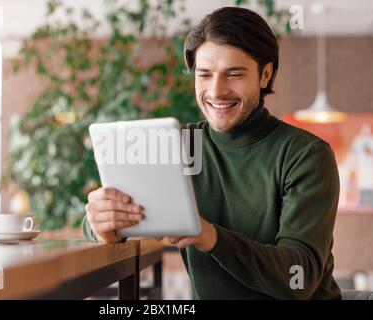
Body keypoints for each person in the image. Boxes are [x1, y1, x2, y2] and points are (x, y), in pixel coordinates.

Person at [82, 6, 341, 299]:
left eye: (233, 75)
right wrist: (102, 222)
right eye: (204, 75)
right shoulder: (179, 145)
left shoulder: (305, 155)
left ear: (265, 74)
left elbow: (299, 278)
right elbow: (98, 223)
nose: (216, 91)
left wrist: (211, 237)